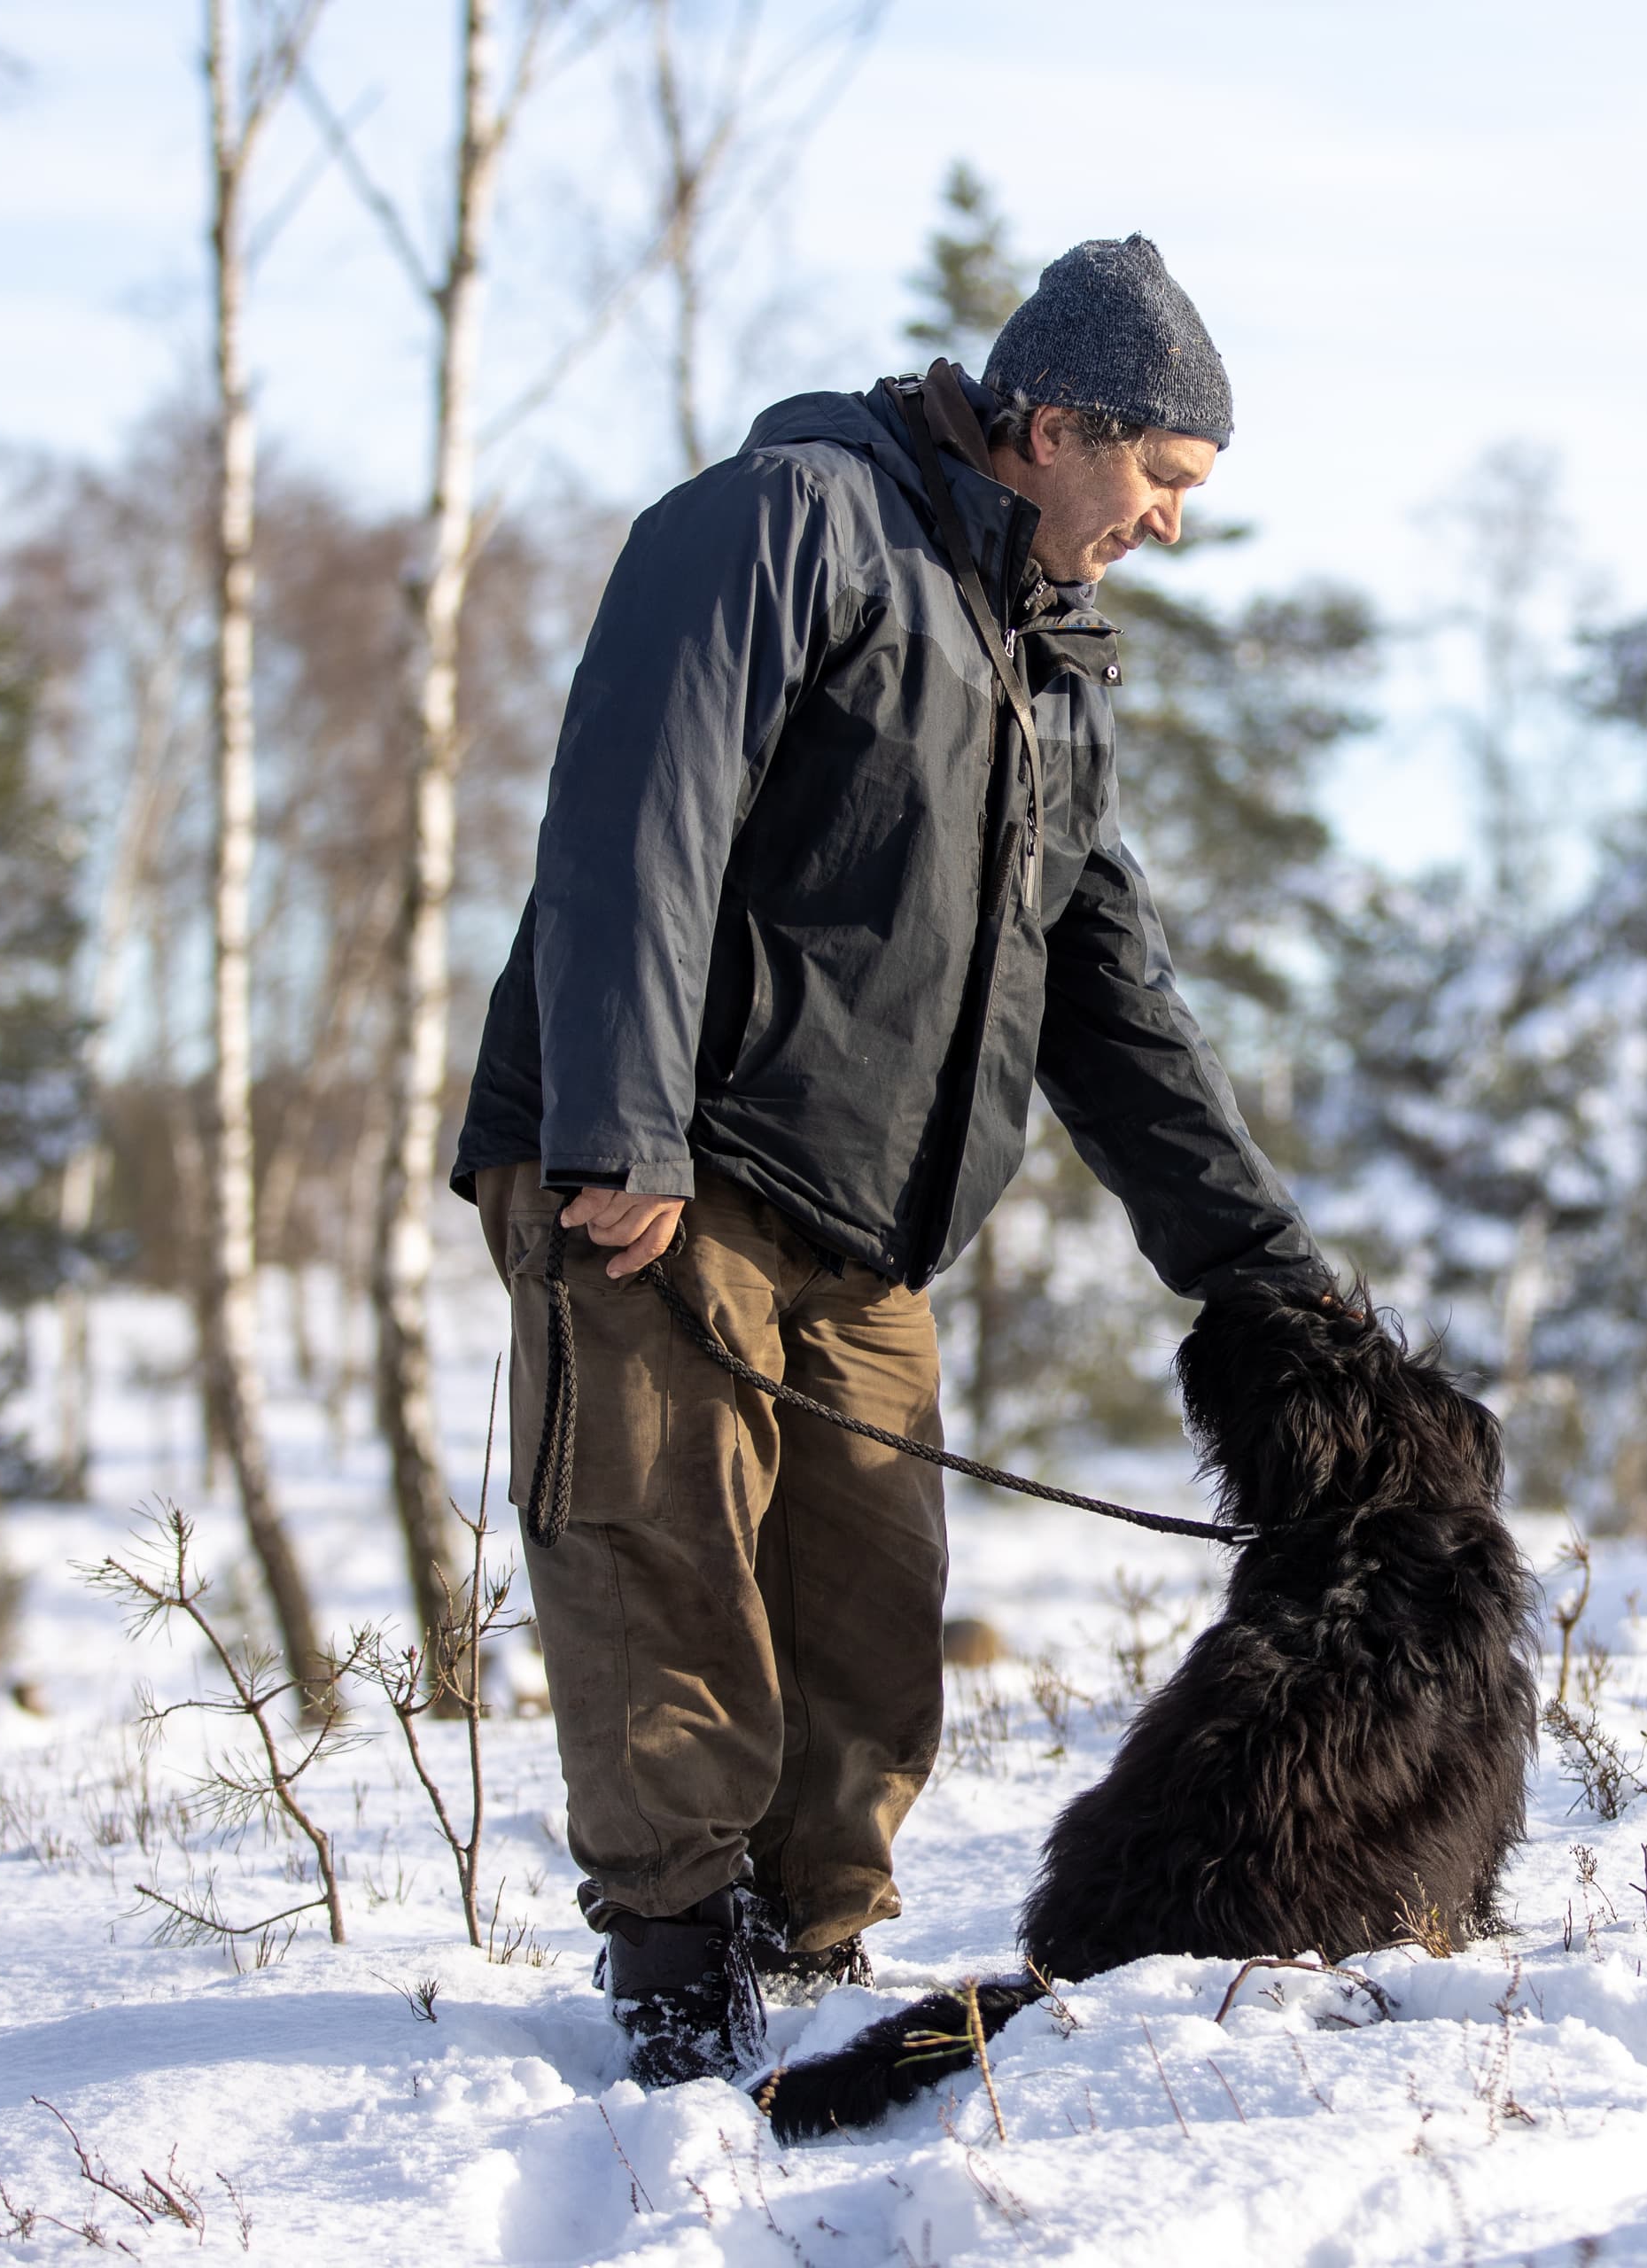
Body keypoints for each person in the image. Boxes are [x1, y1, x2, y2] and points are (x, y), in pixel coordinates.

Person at [449, 235, 1335, 2087]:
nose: (1172, 524)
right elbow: (639, 808)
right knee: (657, 1551)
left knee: (868, 1608)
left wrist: (1261, 1263)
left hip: (864, 1219)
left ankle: (813, 1930)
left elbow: (1104, 983)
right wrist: (621, 1120)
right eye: (1164, 478)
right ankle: (681, 1964)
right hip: (661, 1164)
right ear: (1060, 423)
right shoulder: (788, 519)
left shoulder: (1052, 661)